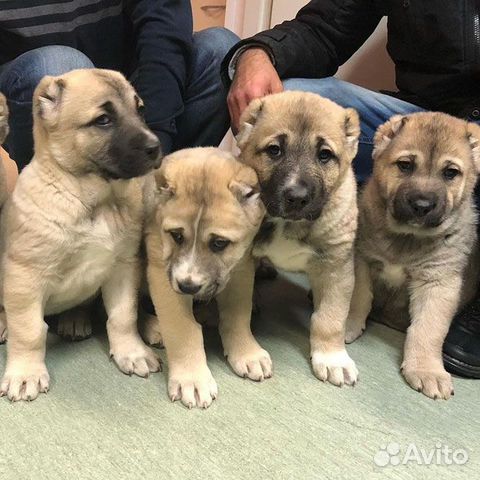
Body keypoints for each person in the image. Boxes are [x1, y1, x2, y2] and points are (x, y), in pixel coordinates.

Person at [222, 0, 480, 379]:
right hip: (411, 113)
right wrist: (260, 53)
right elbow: (327, 26)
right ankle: (255, 234)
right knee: (286, 102)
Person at [0, 0, 239, 169]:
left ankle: (158, 193)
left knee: (221, 51)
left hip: (127, 92)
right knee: (59, 65)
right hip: (32, 82)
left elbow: (163, 29)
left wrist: (153, 136)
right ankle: (66, 216)